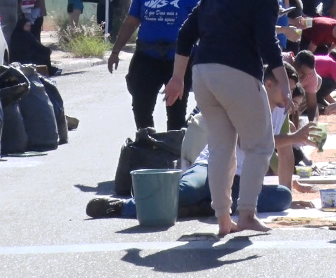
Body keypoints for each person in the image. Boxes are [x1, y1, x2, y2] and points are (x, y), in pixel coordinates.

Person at [164, 0, 292, 236]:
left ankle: (223, 220)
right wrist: (284, 83)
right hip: (237, 73)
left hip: (202, 74)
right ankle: (246, 212)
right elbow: (268, 45)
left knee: (221, 148)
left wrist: (177, 79)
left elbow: (185, 34)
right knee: (260, 145)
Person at [88, 67, 315, 220]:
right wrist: (297, 138)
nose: (289, 94)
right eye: (286, 87)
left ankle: (208, 204)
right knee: (185, 190)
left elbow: (286, 155)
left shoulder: (282, 112)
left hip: (242, 180)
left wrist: (290, 192)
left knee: (282, 196)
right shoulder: (247, 101)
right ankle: (121, 207)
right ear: (268, 83)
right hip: (213, 167)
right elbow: (247, 141)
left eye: (292, 88)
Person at [109, 0, 202, 131]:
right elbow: (130, 23)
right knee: (141, 108)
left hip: (178, 61)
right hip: (147, 58)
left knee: (176, 113)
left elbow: (206, 21)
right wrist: (115, 51)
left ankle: (171, 151)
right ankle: (148, 145)